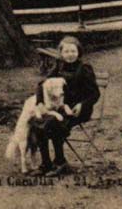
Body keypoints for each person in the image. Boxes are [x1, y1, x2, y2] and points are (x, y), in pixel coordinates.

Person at [29, 35, 100, 177]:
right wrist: (40, 102)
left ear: (79, 52)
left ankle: (60, 162)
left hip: (78, 110)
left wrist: (81, 105)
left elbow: (94, 94)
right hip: (59, 107)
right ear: (61, 53)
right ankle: (46, 163)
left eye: (73, 51)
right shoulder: (58, 67)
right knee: (36, 122)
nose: (70, 55)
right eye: (66, 52)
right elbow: (42, 85)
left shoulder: (84, 69)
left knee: (53, 123)